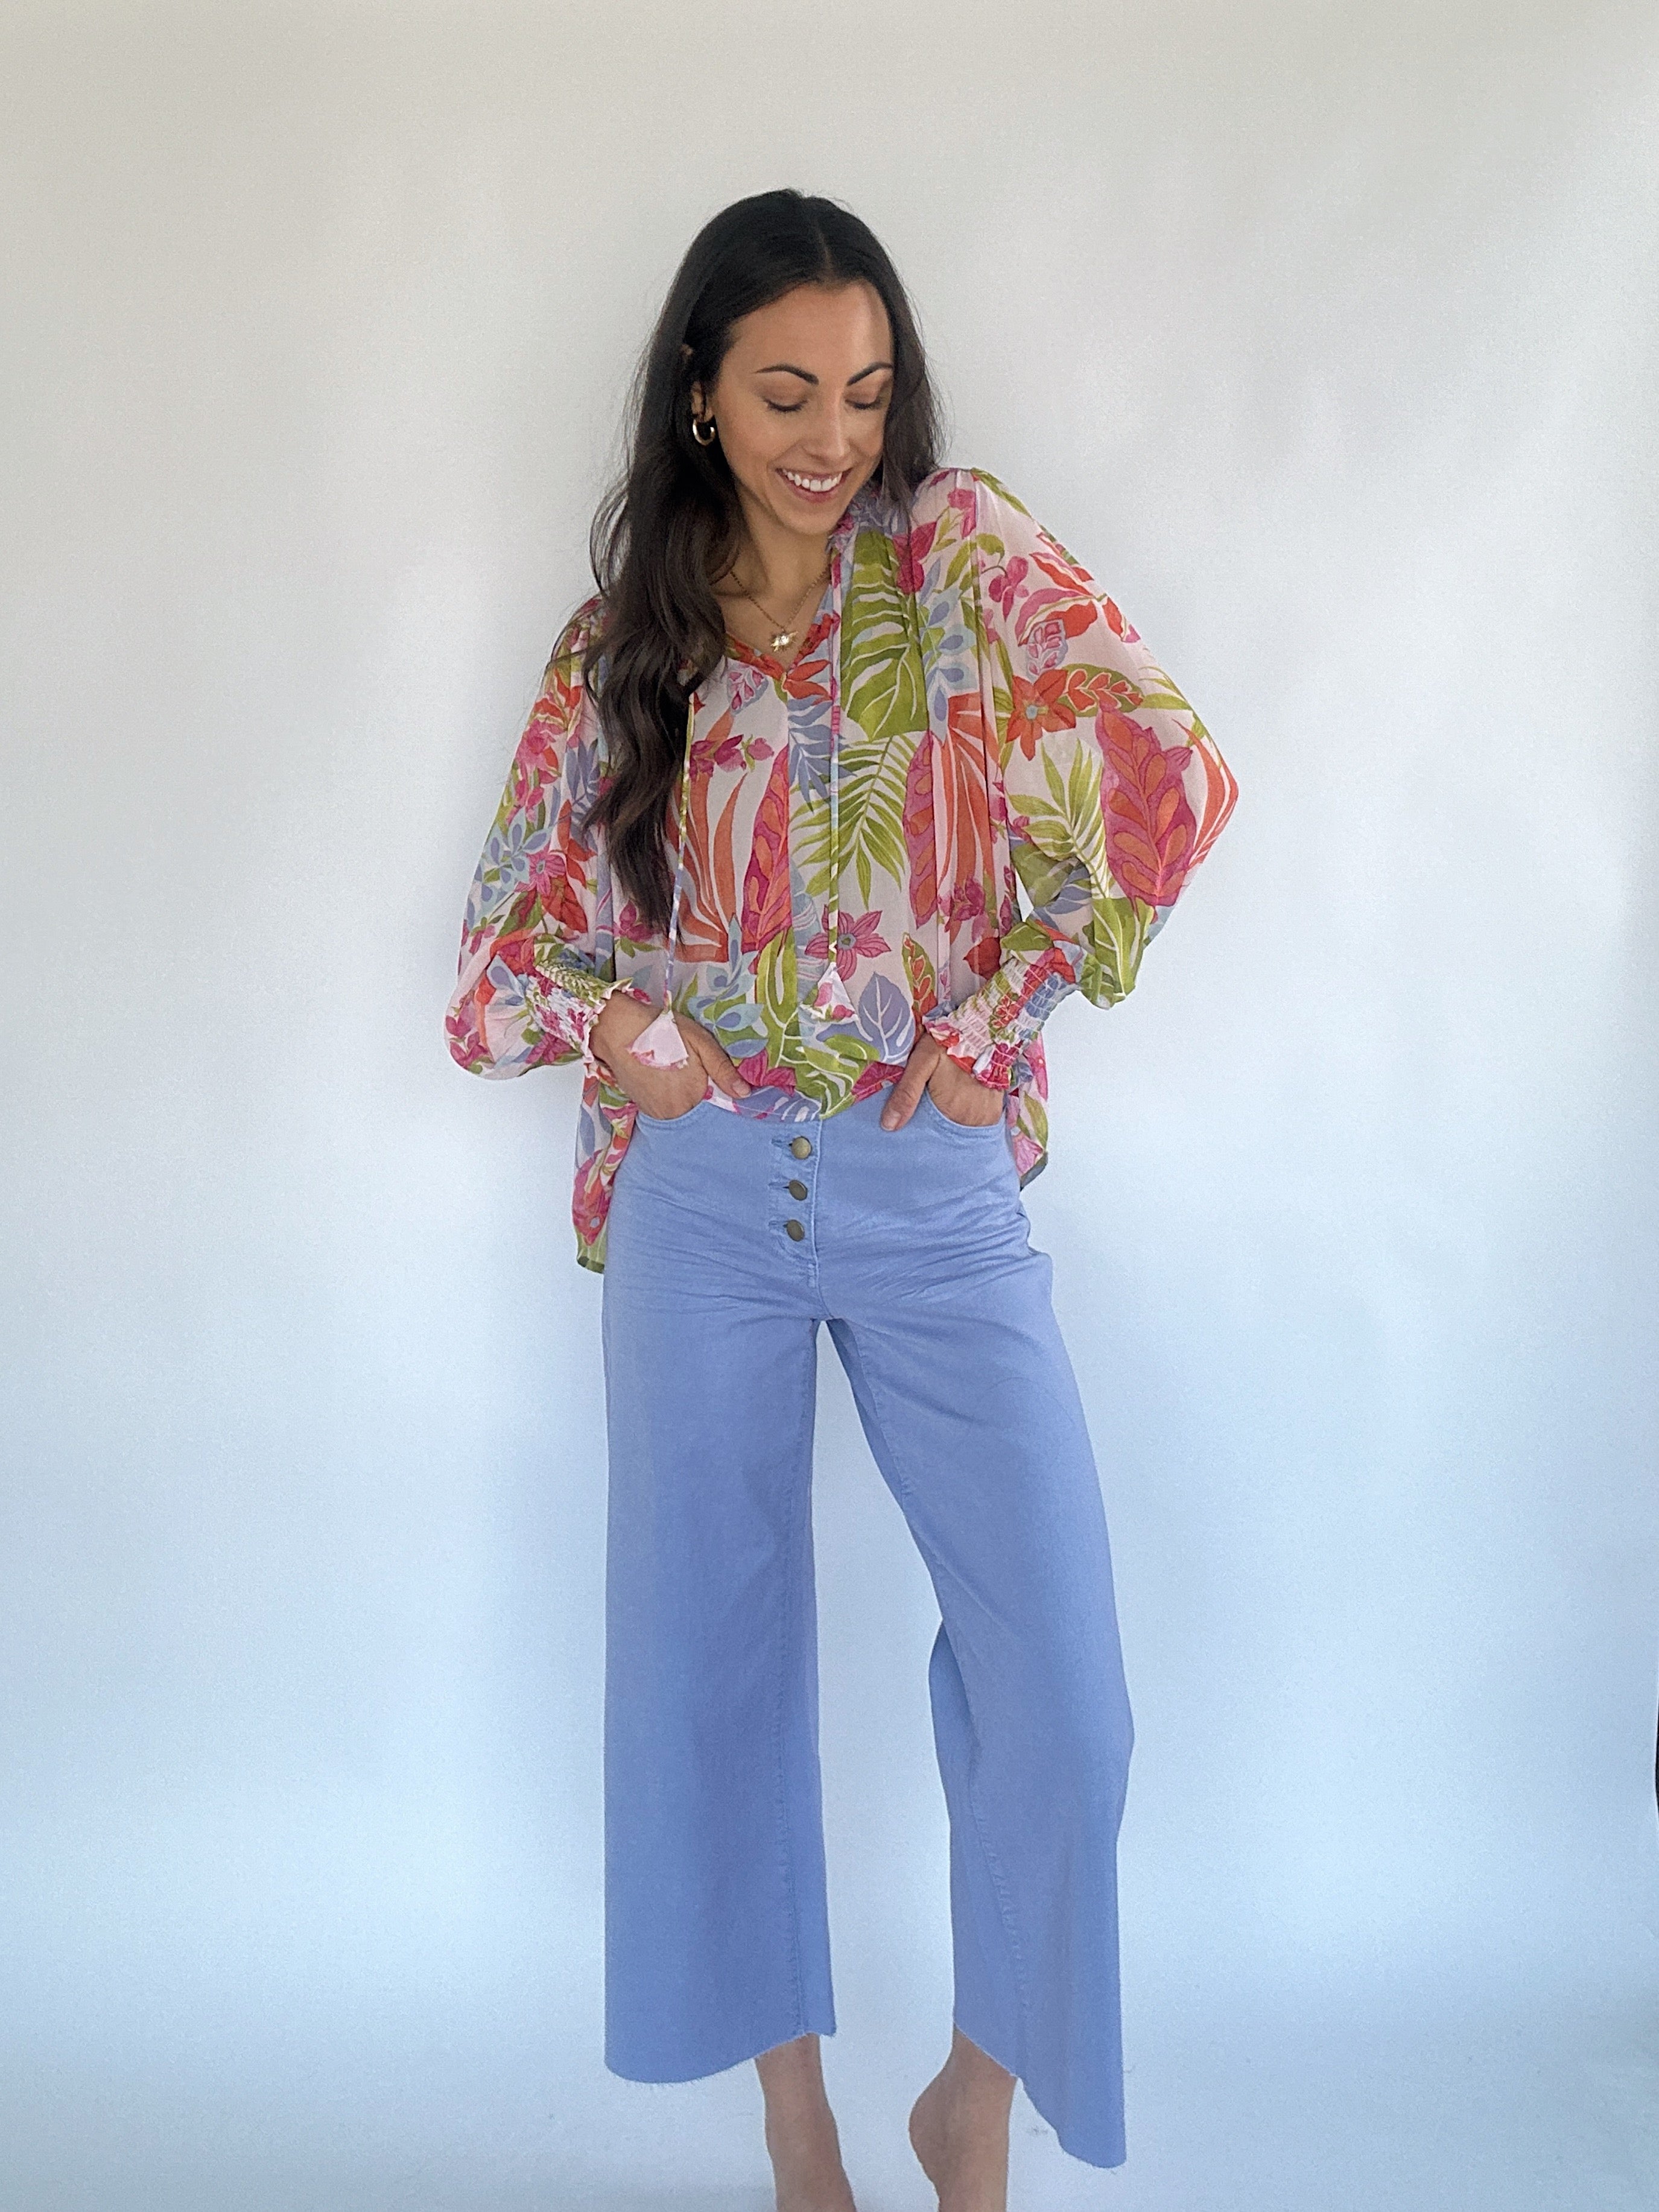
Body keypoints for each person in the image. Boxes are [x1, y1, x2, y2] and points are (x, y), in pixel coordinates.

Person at [446, 187, 1236, 2212]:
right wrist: (621, 1027)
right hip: (702, 1195)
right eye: (787, 390)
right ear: (699, 395)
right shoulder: (621, 649)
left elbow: (1172, 771)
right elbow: (496, 962)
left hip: (929, 1179)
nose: (834, 434)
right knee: (707, 1669)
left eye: (867, 390)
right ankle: (797, 2130)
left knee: (1066, 1692)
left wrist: (1009, 1009)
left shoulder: (960, 554)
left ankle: (971, 2101)